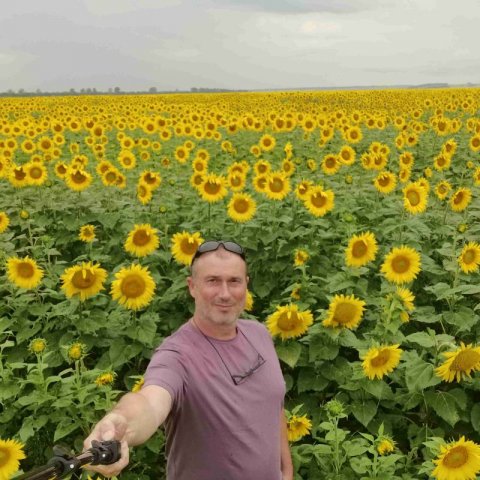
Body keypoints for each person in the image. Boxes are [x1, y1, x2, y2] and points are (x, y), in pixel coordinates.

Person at [84, 240, 293, 480]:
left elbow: (273, 406)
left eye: (234, 281)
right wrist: (120, 423)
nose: (225, 294)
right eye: (213, 281)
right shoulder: (177, 355)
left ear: (246, 285)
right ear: (192, 287)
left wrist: (286, 471)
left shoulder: (259, 334)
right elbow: (150, 402)